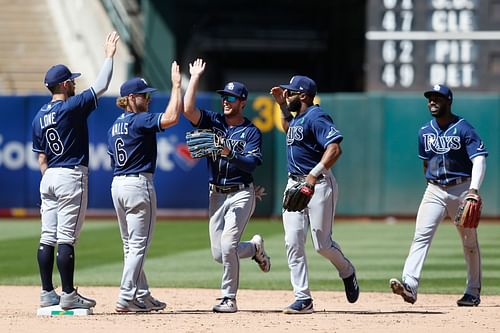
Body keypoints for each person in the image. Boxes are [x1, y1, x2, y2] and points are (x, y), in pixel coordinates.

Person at [32, 31, 120, 310]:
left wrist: (48, 176)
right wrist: (108, 55)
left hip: (49, 177)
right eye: (72, 79)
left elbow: (41, 157)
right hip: (70, 174)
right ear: (65, 83)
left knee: (48, 237)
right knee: (66, 238)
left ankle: (48, 292)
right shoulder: (71, 106)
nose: (74, 82)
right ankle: (68, 294)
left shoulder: (38, 116)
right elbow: (103, 85)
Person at [183, 58, 271, 313]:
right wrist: (195, 77)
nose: (226, 101)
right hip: (216, 194)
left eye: (231, 98)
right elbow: (188, 109)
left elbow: (252, 164)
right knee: (219, 253)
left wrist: (228, 152)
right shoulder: (213, 121)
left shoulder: (251, 131)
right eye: (224, 97)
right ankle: (255, 248)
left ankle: (228, 298)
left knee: (229, 244)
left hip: (242, 192)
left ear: (242, 103)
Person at [390, 84, 488, 307]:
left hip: (461, 188)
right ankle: (410, 285)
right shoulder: (424, 131)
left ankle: (472, 291)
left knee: (469, 241)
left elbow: (479, 159)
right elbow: (426, 162)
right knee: (420, 236)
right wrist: (433, 185)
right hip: (434, 189)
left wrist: (473, 189)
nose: (432, 101)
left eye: (438, 98)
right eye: (430, 98)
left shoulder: (464, 128)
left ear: (448, 101)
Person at [270, 75, 359, 314]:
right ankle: (303, 298)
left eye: (290, 93)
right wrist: (280, 105)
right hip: (294, 184)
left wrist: (313, 174)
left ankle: (347, 271)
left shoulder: (317, 116)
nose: (286, 95)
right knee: (293, 242)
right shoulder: (298, 119)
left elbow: (335, 148)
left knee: (322, 245)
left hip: (318, 184)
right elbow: (289, 129)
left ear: (304, 95)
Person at [107, 62, 183, 313]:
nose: (148, 99)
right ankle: (126, 296)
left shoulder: (114, 126)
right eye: (144, 95)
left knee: (129, 245)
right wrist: (176, 86)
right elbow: (172, 118)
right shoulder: (140, 120)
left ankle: (143, 294)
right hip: (138, 184)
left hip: (118, 184)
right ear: (130, 98)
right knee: (138, 246)